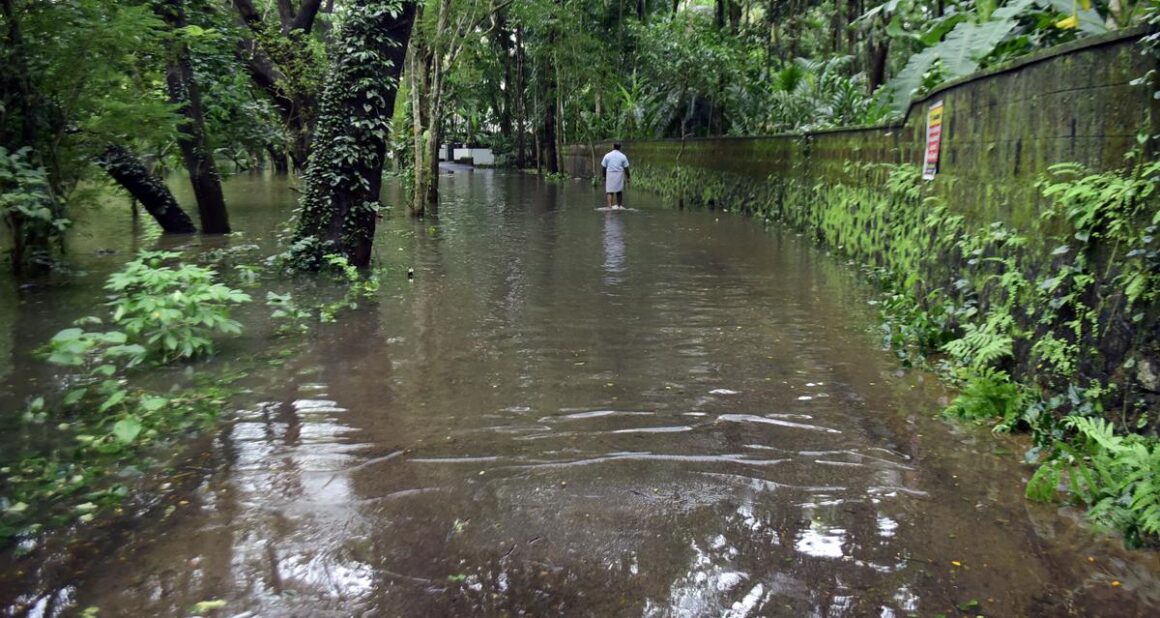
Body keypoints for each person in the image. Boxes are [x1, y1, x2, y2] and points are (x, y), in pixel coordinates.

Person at [601, 143, 630, 209]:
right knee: (619, 191)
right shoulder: (623, 156)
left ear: (613, 147)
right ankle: (619, 206)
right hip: (619, 174)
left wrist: (604, 176)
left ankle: (609, 206)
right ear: (620, 148)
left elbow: (604, 167)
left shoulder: (607, 155)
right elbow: (626, 168)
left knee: (609, 191)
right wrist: (628, 177)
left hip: (610, 174)